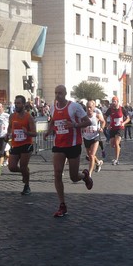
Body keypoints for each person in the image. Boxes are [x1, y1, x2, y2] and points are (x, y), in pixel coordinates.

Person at [45, 85, 93, 217]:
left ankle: (84, 176)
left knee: (73, 177)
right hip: (59, 145)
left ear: (65, 93)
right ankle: (62, 205)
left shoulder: (74, 107)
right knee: (57, 173)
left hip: (73, 144)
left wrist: (75, 125)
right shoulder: (53, 107)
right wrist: (48, 131)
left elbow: (88, 122)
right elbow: (53, 121)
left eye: (60, 93)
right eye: (56, 92)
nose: (57, 95)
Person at [7, 95, 37, 195]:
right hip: (15, 144)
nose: (16, 105)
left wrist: (27, 132)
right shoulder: (12, 116)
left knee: (23, 166)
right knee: (11, 167)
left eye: (18, 103)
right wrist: (8, 135)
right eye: (15, 103)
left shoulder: (29, 117)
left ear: (23, 105)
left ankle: (27, 186)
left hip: (26, 144)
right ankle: (25, 173)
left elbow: (35, 133)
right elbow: (10, 128)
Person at [103, 96, 130, 165]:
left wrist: (124, 123)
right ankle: (118, 147)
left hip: (120, 128)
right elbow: (104, 117)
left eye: (114, 101)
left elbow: (128, 118)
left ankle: (116, 159)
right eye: (112, 101)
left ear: (117, 102)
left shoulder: (122, 109)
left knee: (116, 143)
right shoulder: (110, 109)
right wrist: (107, 125)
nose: (113, 103)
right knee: (112, 145)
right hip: (112, 128)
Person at [82, 100, 106, 176]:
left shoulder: (97, 115)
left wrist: (102, 128)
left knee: (92, 156)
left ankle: (89, 174)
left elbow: (103, 122)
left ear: (93, 107)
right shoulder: (83, 116)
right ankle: (98, 163)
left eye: (90, 107)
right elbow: (80, 125)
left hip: (95, 137)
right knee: (89, 155)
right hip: (86, 137)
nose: (88, 109)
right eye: (87, 107)